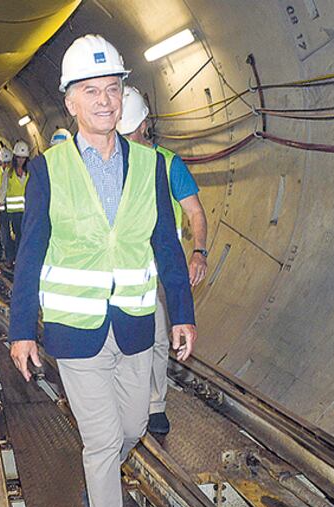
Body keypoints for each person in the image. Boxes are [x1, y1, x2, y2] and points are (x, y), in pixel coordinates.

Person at [9, 34, 195, 507]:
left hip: (137, 325)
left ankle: (102, 478)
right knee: (100, 438)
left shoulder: (150, 166)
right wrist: (21, 330)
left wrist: (182, 313)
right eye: (91, 91)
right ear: (70, 102)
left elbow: (166, 243)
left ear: (123, 96)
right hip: (75, 332)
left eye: (112, 89)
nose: (104, 101)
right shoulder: (48, 169)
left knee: (134, 427)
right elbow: (31, 249)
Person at [117, 86, 208, 434]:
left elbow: (195, 213)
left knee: (155, 337)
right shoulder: (111, 163)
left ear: (144, 126)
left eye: (129, 133)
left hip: (157, 269)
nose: (124, 140)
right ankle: (130, 399)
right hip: (121, 267)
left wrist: (198, 251)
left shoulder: (168, 164)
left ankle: (154, 403)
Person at [0, 140, 30, 267]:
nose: (21, 160)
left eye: (23, 158)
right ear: (15, 157)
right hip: (15, 212)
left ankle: (25, 259)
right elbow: (3, 190)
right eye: (19, 158)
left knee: (27, 236)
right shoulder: (9, 172)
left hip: (28, 211)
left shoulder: (30, 172)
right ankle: (18, 259)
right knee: (18, 236)